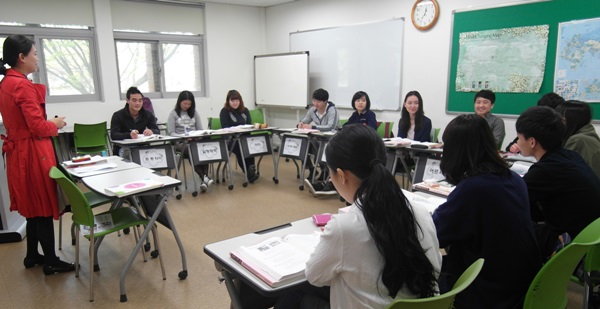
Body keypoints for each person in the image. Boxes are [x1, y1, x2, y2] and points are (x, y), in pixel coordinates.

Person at [279, 124, 441, 308]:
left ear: (341, 175)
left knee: (295, 291)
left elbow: (314, 276)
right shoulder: (420, 212)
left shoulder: (344, 227)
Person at [432, 114, 541, 308]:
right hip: (519, 282)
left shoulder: (474, 189)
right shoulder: (513, 178)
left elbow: (436, 235)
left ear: (456, 150)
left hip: (488, 290)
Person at [0, 34, 75, 275]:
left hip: (19, 151)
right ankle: (51, 260)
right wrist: (55, 123)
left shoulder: (6, 84)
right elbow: (37, 126)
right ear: (21, 58)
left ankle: (32, 255)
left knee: (31, 208)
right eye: (34, 53)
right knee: (41, 206)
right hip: (31, 153)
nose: (37, 58)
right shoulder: (21, 85)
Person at [516, 106, 600, 259]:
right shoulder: (570, 156)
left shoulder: (545, 170)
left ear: (532, 142)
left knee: (507, 221)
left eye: (519, 138)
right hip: (591, 238)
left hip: (573, 244)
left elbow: (510, 199)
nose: (518, 142)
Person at [306, 91, 377, 197]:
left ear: (367, 102)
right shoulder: (354, 115)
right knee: (337, 155)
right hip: (353, 145)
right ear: (354, 103)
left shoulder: (370, 115)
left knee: (342, 157)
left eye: (363, 100)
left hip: (363, 148)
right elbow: (346, 126)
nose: (361, 103)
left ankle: (330, 184)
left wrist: (357, 127)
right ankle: (328, 182)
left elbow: (371, 129)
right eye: (358, 100)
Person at [167, 90, 213, 192]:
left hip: (194, 141)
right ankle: (205, 177)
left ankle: (204, 179)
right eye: (185, 103)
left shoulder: (194, 113)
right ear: (179, 102)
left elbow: (200, 129)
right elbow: (171, 133)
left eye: (189, 104)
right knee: (193, 150)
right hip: (180, 142)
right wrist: (183, 137)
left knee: (202, 149)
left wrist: (197, 136)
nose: (187, 106)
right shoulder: (173, 114)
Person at [298, 88, 339, 182]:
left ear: (325, 101)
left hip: (331, 139)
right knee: (303, 144)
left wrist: (312, 127)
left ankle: (325, 170)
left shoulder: (332, 110)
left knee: (316, 144)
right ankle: (312, 169)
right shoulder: (312, 110)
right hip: (318, 137)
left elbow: (330, 126)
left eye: (318, 101)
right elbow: (305, 120)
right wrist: (300, 124)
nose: (315, 104)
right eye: (314, 100)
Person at [219, 89, 259, 182]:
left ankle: (251, 169)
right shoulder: (224, 111)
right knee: (239, 147)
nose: (235, 103)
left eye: (237, 100)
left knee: (249, 144)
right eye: (232, 101)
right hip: (230, 139)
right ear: (228, 101)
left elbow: (249, 126)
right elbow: (225, 128)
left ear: (240, 101)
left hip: (244, 137)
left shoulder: (245, 110)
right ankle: (248, 172)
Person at [555, 100, 600, 180]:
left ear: (572, 121)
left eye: (562, 120)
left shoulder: (578, 139)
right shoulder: (588, 133)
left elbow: (561, 170)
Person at [110, 86, 160, 156]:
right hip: (124, 148)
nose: (137, 103)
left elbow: (157, 131)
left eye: (140, 100)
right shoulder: (118, 115)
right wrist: (129, 135)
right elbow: (114, 135)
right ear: (127, 101)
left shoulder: (147, 114)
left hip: (142, 147)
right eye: (134, 100)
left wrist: (151, 131)